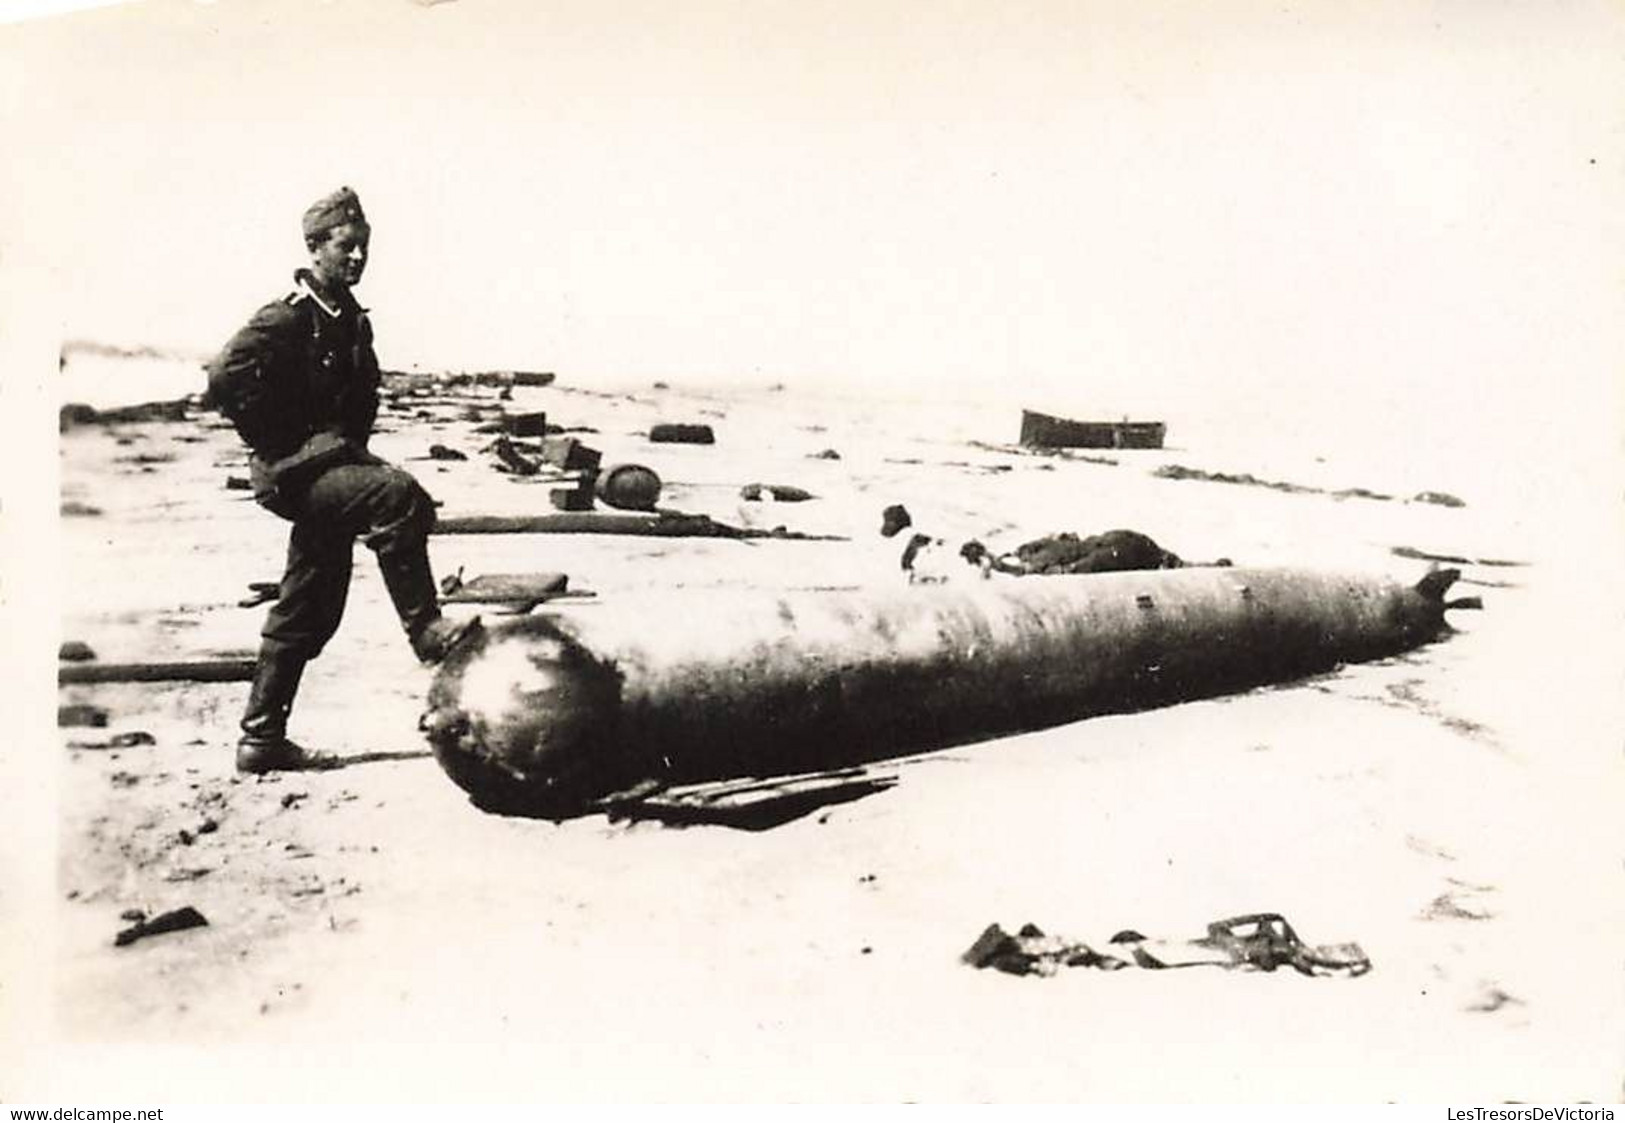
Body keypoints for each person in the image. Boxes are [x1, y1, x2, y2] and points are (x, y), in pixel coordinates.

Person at [207, 186, 478, 774]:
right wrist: (281, 442)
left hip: (330, 473)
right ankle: (426, 631)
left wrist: (340, 453)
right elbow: (226, 375)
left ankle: (261, 738)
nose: (357, 259)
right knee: (396, 495)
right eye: (346, 247)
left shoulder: (350, 321)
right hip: (294, 475)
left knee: (311, 603)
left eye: (364, 249)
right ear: (315, 247)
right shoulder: (288, 315)